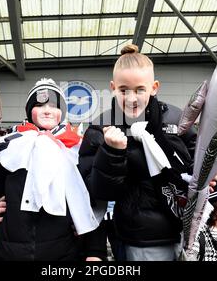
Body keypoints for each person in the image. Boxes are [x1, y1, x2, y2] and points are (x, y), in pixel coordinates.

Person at [0, 78, 106, 261]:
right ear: (29, 111)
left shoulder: (76, 149)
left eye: (54, 106)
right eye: (40, 105)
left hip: (62, 255)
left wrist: (95, 252)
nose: (47, 110)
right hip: (11, 253)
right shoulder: (10, 147)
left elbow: (91, 202)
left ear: (62, 112)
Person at [78, 44, 195, 261]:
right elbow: (95, 190)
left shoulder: (177, 119)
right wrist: (112, 154)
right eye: (124, 90)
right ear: (113, 87)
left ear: (154, 87)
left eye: (140, 89)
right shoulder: (100, 127)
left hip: (187, 231)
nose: (132, 98)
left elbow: (197, 163)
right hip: (138, 238)